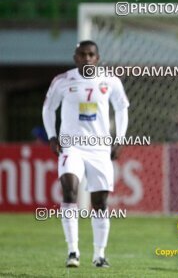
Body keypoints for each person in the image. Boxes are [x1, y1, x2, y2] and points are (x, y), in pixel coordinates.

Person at [42, 41, 129, 268]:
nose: (87, 58)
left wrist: (119, 139)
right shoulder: (62, 81)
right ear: (75, 58)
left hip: (100, 148)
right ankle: (73, 252)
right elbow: (49, 108)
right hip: (71, 146)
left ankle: (99, 255)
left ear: (97, 58)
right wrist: (52, 136)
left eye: (91, 55)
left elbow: (121, 109)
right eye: (83, 55)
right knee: (69, 190)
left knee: (99, 202)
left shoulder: (111, 80)